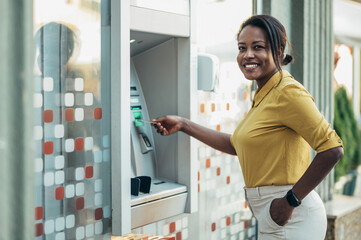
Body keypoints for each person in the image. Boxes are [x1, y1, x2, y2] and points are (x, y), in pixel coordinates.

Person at [152, 15, 344, 240]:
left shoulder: (287, 92)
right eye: (242, 48)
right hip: (274, 216)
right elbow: (235, 145)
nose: (248, 55)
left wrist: (290, 202)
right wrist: (184, 124)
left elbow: (332, 149)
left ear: (279, 51)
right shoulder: (264, 93)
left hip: (293, 218)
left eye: (258, 47)